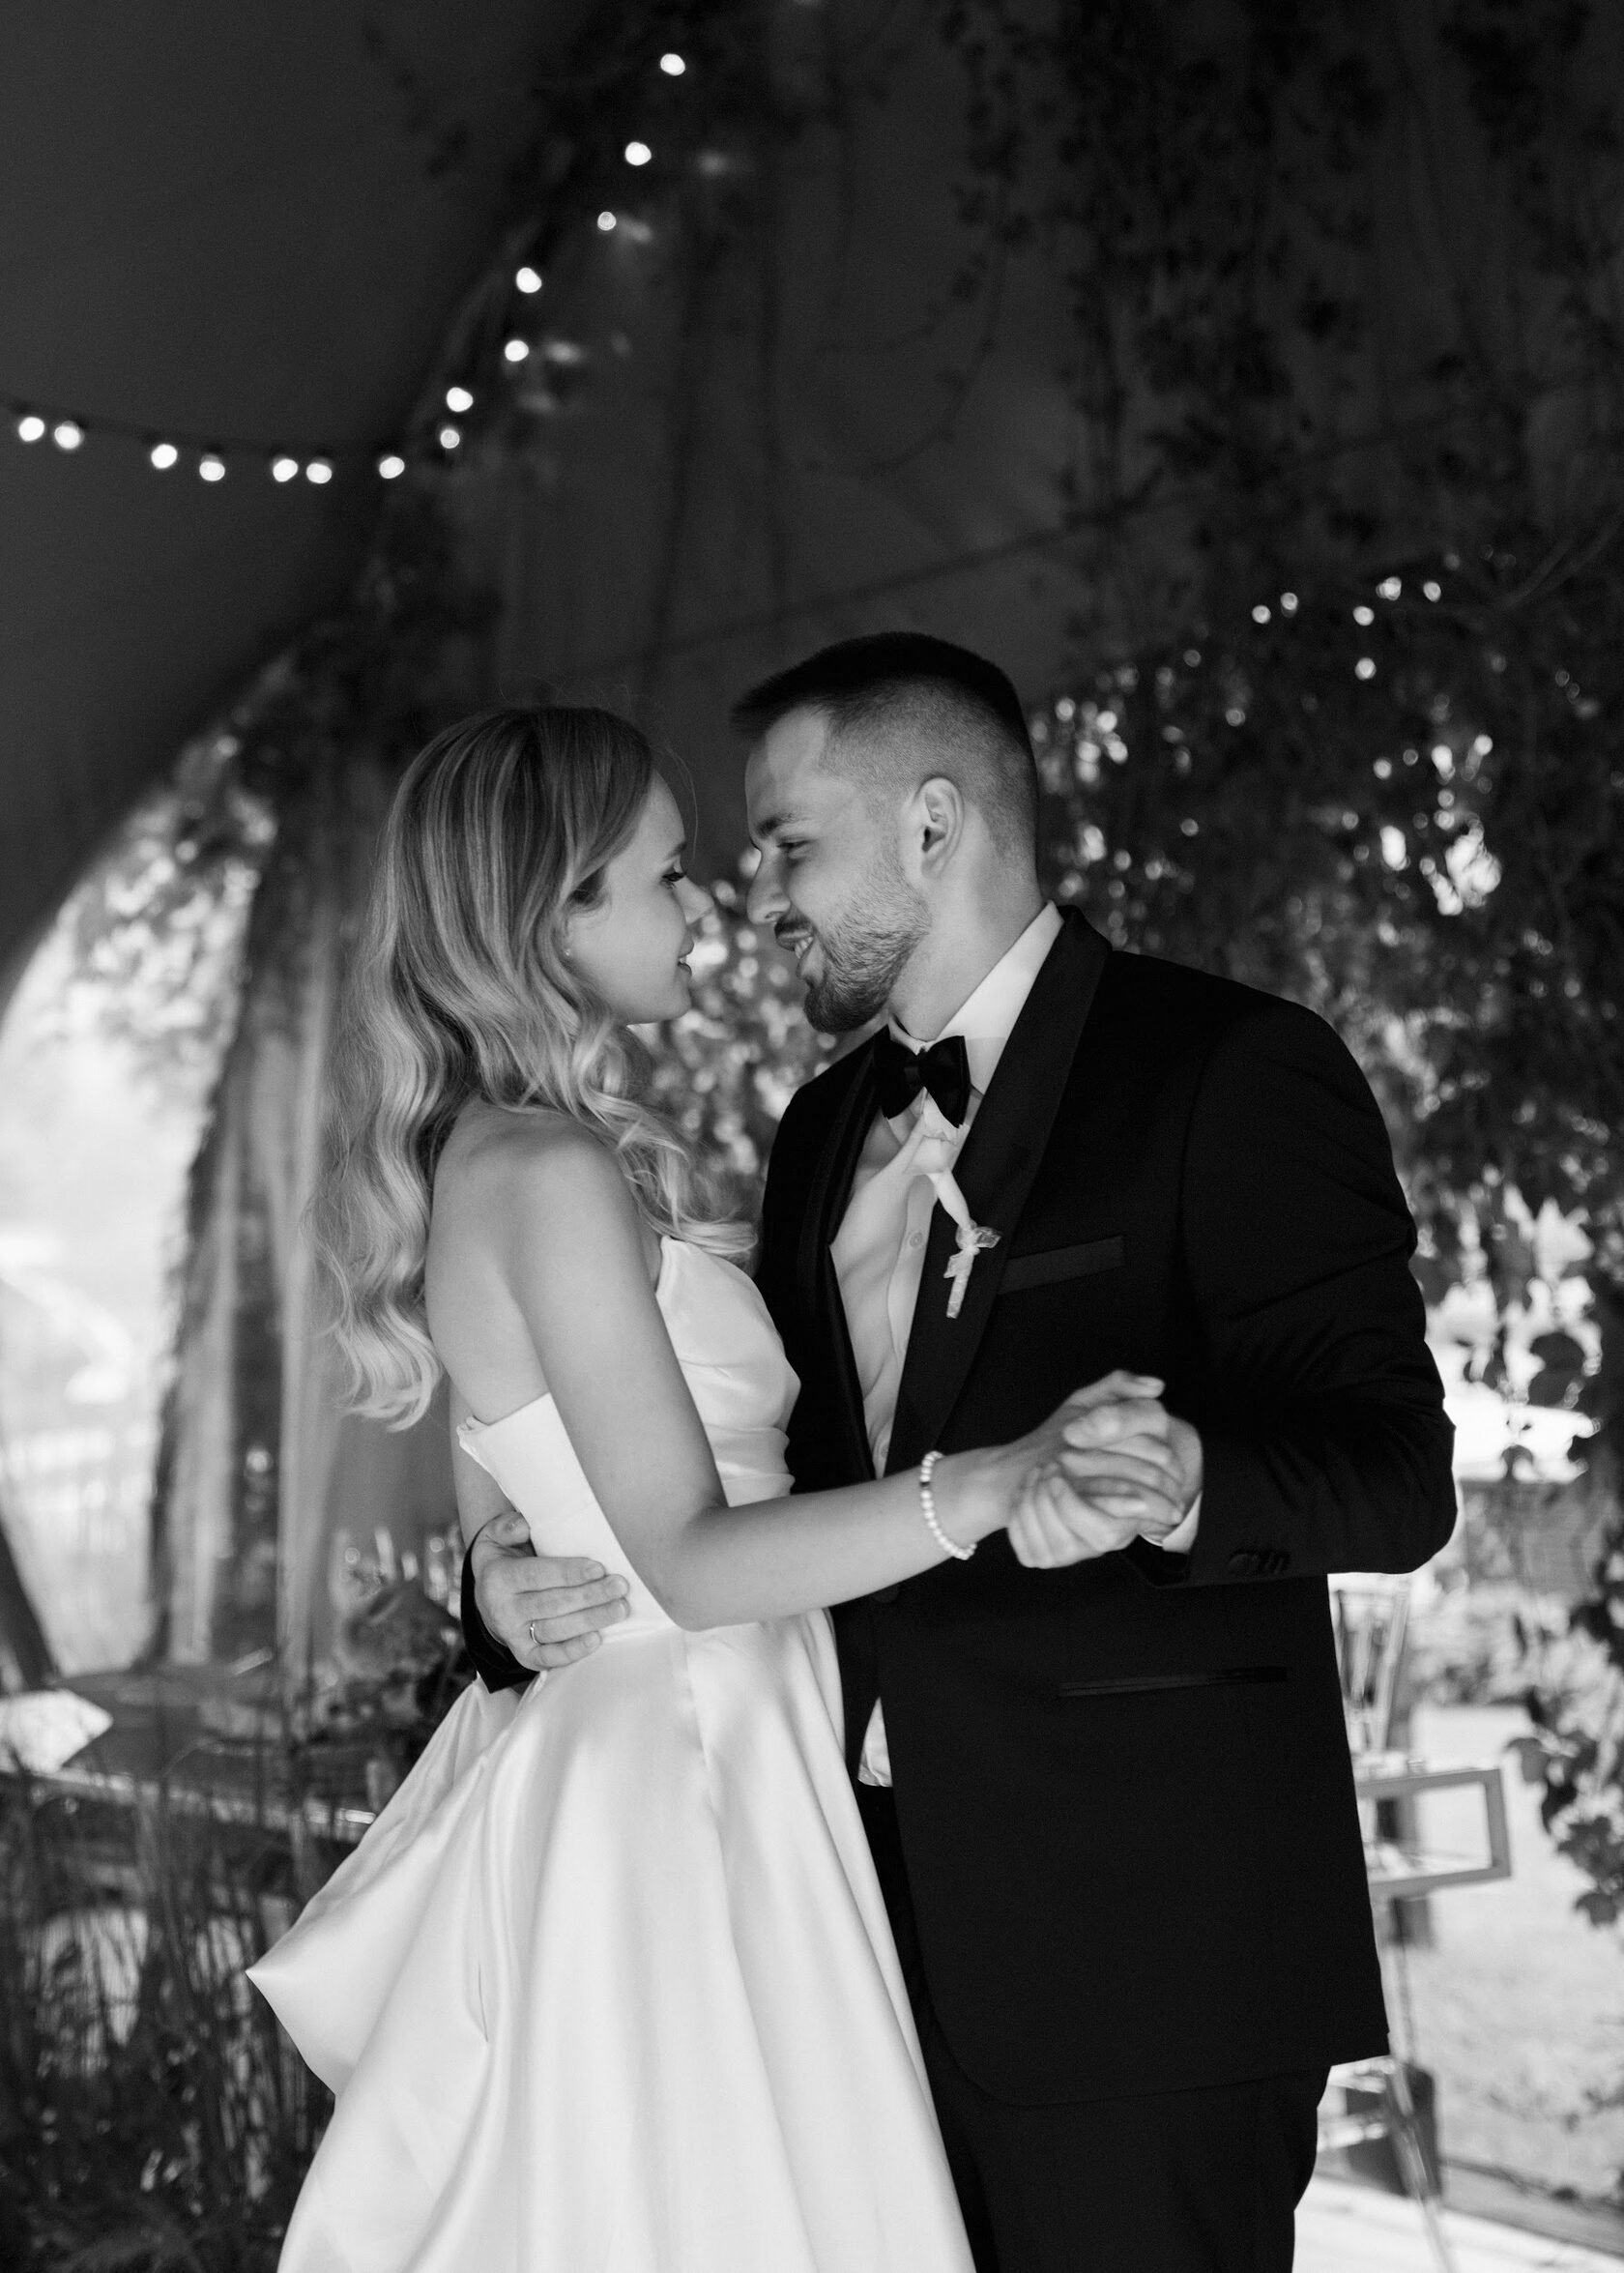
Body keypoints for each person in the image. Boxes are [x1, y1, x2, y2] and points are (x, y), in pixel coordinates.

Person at [463, 635, 1459, 2273]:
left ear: (932, 826)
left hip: (1145, 1966)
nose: (757, 898)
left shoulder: (1231, 1068)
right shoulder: (817, 1133)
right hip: (838, 1940)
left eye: (788, 845)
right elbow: (745, 1481)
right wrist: (497, 1581)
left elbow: (1399, 1474)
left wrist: (1184, 1482)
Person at [249, 703, 1184, 2273]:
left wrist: (496, 1573)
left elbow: (535, 1496)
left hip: (719, 1727)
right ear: (552, 913)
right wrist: (990, 1484)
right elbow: (684, 1558)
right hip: (682, 1758)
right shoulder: (545, 1177)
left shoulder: (529, 1160)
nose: (709, 905)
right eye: (666, 873)